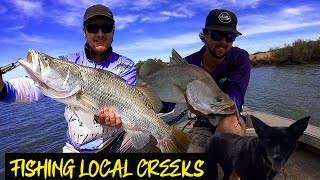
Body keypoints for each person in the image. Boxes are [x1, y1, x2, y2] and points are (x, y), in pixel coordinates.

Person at [0, 4, 158, 153]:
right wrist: (2, 88)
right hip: (75, 148)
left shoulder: (126, 65)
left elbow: (132, 102)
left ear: (113, 31)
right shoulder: (68, 62)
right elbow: (34, 86)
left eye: (107, 28)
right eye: (93, 28)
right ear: (84, 32)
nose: (100, 33)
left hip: (117, 141)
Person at [160, 9, 251, 152]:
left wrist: (202, 110)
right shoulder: (188, 63)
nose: (223, 42)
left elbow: (235, 100)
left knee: (232, 126)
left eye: (230, 36)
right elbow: (167, 105)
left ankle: (236, 174)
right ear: (206, 35)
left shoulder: (240, 58)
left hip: (227, 119)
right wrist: (149, 95)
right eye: (216, 35)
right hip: (201, 125)